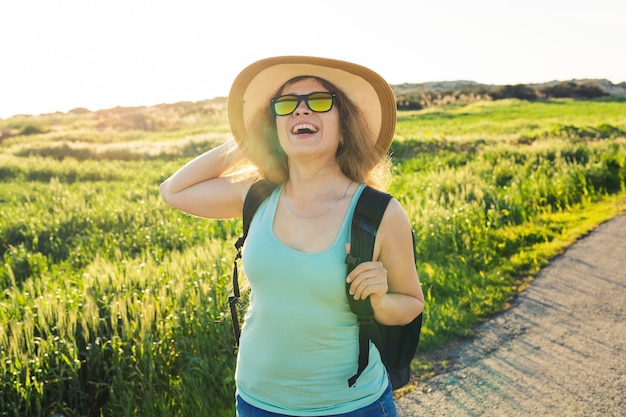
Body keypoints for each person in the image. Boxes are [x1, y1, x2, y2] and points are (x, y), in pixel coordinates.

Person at [160, 56, 424, 417]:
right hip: (256, 403)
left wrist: (379, 301)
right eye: (286, 106)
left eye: (318, 101)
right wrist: (251, 139)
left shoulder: (378, 212)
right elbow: (174, 191)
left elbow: (410, 303)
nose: (301, 112)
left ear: (344, 126)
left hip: (351, 406)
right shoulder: (256, 195)